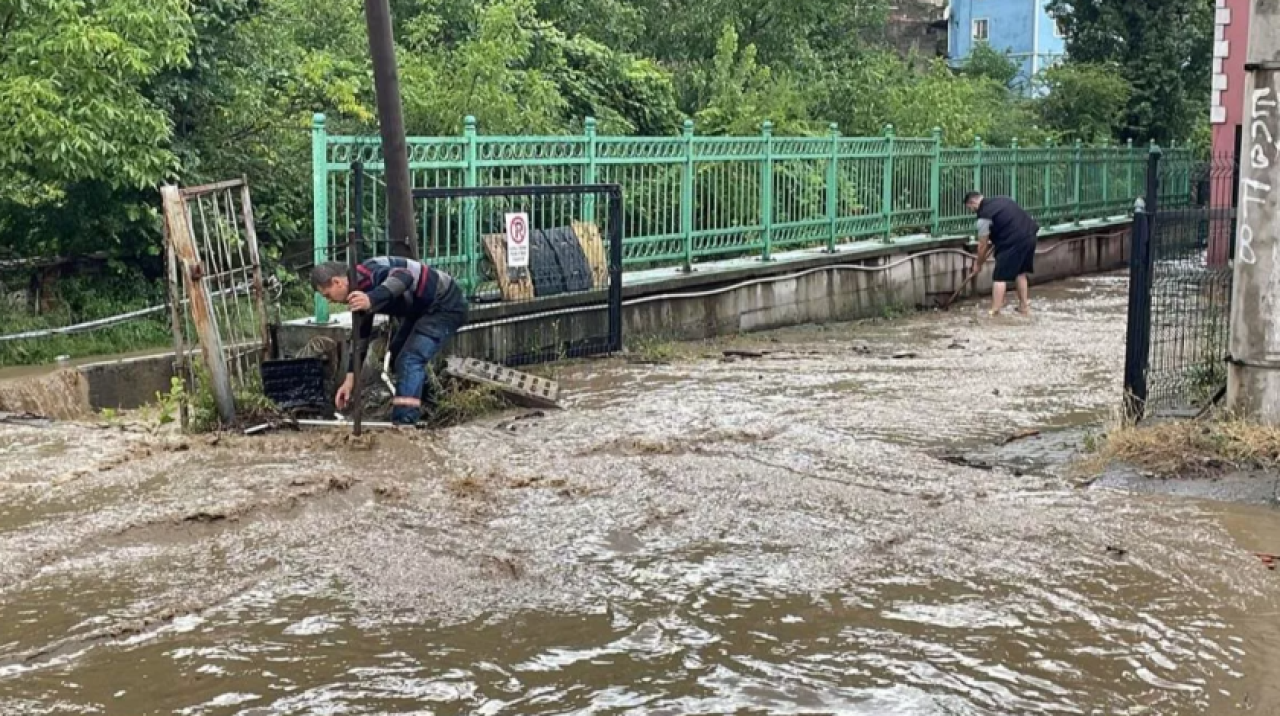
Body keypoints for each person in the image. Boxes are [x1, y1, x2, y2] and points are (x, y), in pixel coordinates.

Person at [310, 257, 468, 426]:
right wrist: (349, 381)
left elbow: (404, 276)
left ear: (337, 282)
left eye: (327, 295)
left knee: (409, 359)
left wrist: (371, 299)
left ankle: (404, 425)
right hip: (421, 310)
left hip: (445, 304)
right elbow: (360, 338)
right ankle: (433, 405)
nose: (329, 300)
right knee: (397, 355)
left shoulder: (366, 274)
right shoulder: (357, 293)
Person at [964, 191, 1039, 316]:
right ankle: (1024, 306)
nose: (972, 211)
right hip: (1030, 235)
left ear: (973, 202)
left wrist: (978, 264)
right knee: (1020, 273)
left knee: (999, 276)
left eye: (970, 208)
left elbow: (982, 245)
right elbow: (1010, 219)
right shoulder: (1003, 199)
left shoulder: (984, 217)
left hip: (1012, 241)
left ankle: (995, 310)